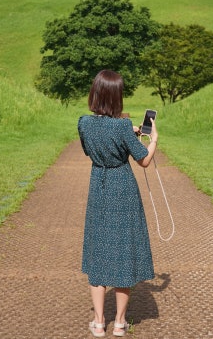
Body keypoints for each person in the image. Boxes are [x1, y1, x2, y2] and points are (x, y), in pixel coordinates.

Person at [77, 69, 159, 338]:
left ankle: (99, 322)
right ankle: (121, 324)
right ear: (117, 97)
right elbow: (143, 160)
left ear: (96, 94)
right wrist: (152, 138)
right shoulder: (123, 126)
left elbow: (92, 149)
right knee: (124, 253)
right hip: (122, 186)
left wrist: (125, 132)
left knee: (98, 253)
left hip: (98, 186)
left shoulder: (84, 123)